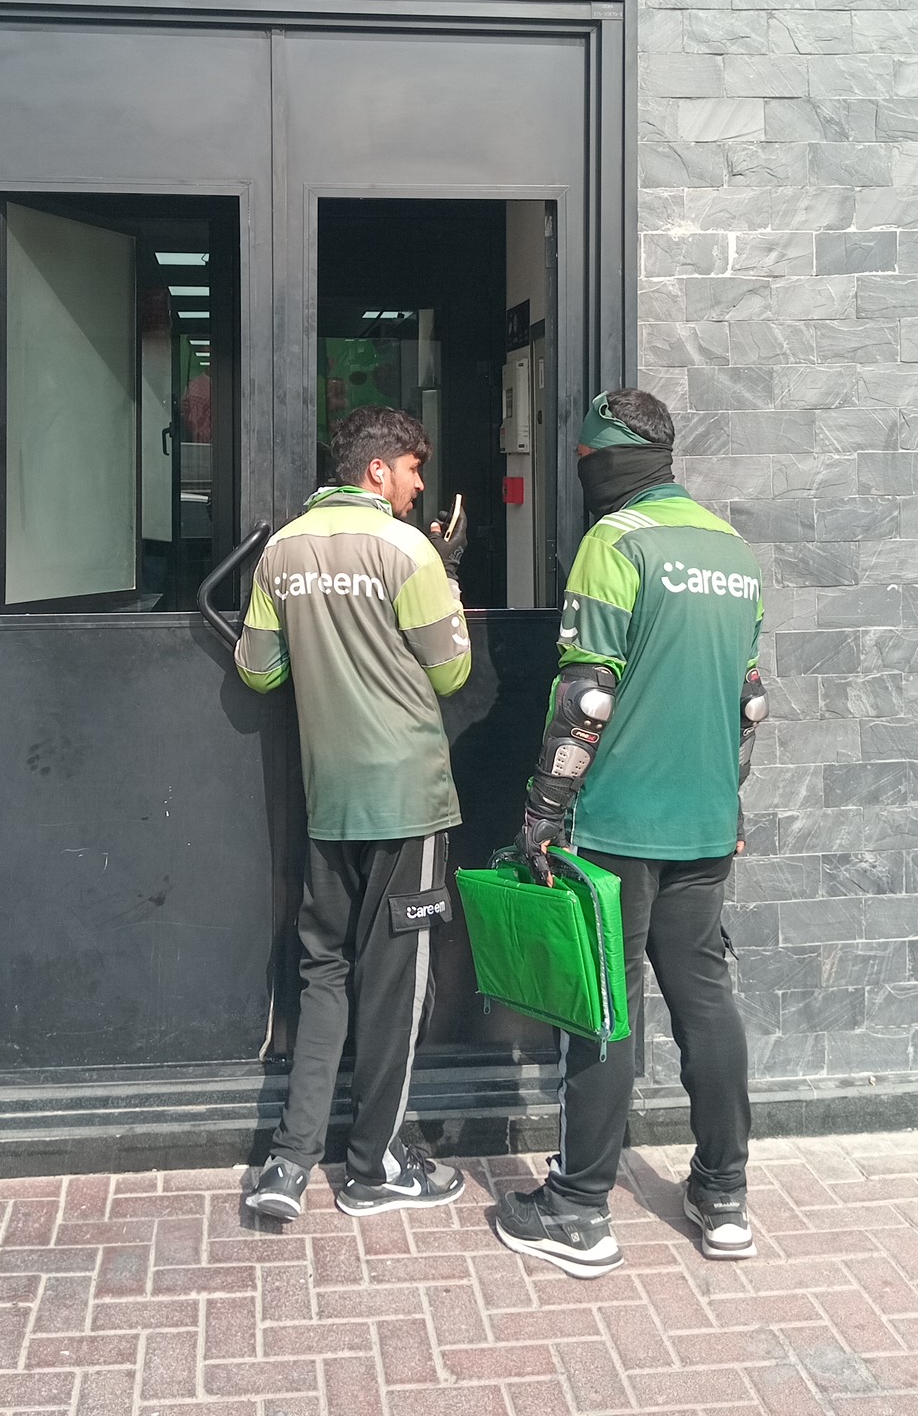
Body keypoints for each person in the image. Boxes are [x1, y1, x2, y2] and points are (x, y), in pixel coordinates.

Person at [495, 389, 768, 1277]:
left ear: (607, 460)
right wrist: (728, 806)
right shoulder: (730, 549)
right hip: (704, 825)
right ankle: (723, 1197)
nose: (582, 474)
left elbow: (587, 696)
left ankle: (578, 1209)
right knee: (705, 1001)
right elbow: (749, 703)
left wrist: (542, 812)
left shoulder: (616, 543)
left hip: (616, 822)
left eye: (584, 460)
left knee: (602, 1008)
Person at [235, 404, 471, 1221]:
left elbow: (259, 671)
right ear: (378, 469)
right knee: (395, 985)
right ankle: (376, 1167)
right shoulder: (410, 550)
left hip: (328, 799)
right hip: (407, 800)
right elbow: (451, 674)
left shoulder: (282, 549)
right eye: (412, 469)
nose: (417, 487)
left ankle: (289, 1163)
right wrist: (448, 577)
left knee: (324, 973)